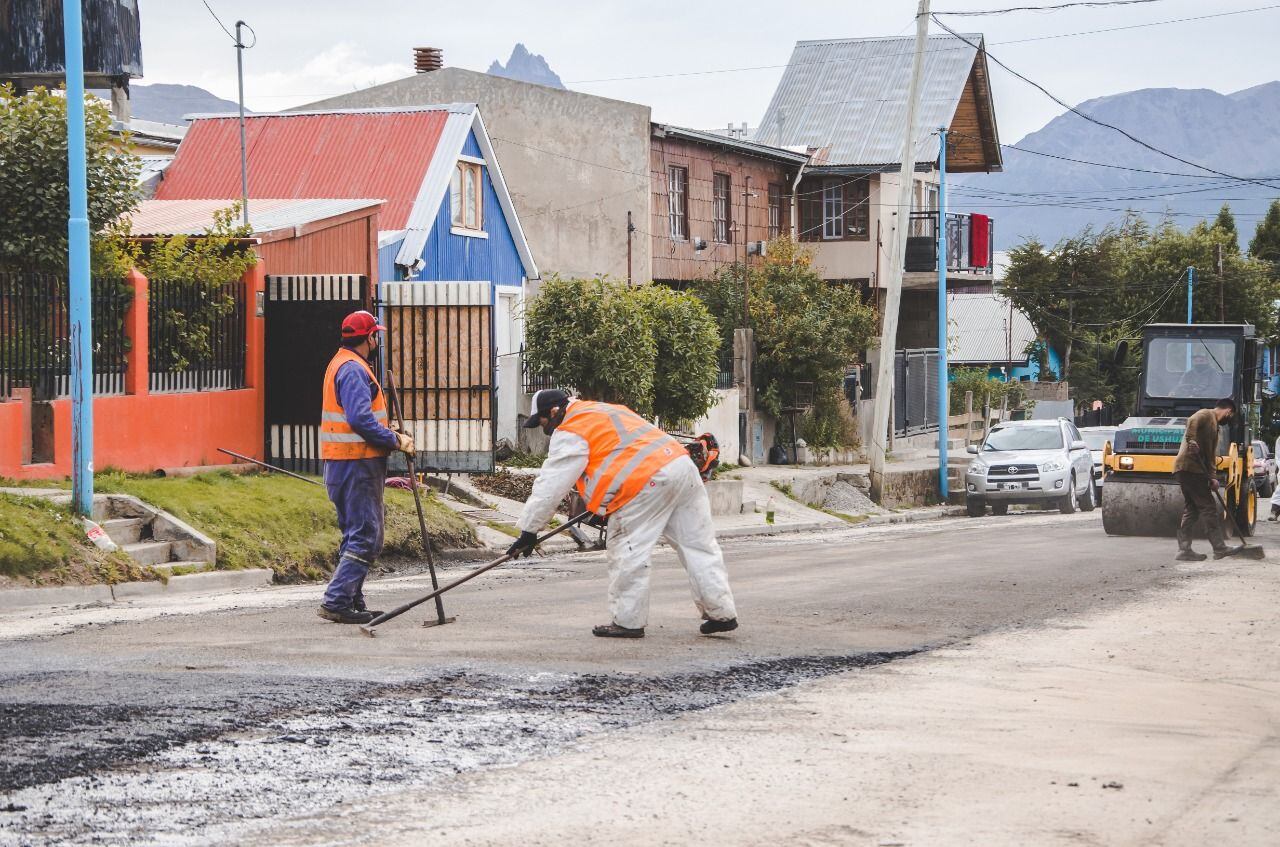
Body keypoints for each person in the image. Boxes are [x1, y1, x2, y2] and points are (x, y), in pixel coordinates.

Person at [510, 389, 738, 639]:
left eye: (542, 422)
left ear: (553, 412)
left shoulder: (571, 428)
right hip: (682, 468)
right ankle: (722, 613)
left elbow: (551, 485)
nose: (545, 429)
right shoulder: (605, 410)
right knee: (699, 546)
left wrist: (529, 531)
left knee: (627, 548)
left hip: (644, 481)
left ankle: (628, 621)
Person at [317, 310, 415, 624]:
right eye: (376, 335)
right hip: (357, 464)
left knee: (355, 534)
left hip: (346, 464)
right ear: (370, 337)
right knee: (366, 536)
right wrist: (395, 440)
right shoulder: (353, 370)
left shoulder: (341, 363)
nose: (377, 340)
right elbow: (361, 419)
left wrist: (392, 437)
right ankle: (337, 600)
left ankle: (351, 600)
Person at [1173, 397, 1242, 561]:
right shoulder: (1205, 414)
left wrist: (1213, 477)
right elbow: (1192, 420)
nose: (1229, 419)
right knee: (1208, 507)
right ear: (1228, 411)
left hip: (1193, 470)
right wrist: (1191, 441)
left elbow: (1210, 457)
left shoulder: (1215, 428)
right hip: (1189, 467)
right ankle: (1219, 548)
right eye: (1230, 416)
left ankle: (1184, 550)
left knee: (1192, 509)